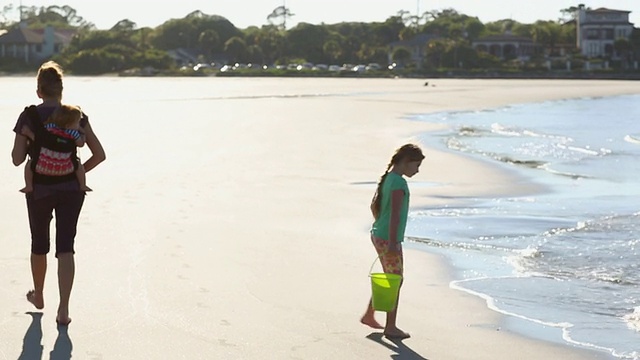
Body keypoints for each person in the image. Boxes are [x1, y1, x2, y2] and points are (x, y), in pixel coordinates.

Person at [11, 61, 106, 326]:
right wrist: (75, 172)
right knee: (66, 248)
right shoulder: (76, 115)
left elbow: (17, 159)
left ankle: (39, 294)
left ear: (39, 90)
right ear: (61, 90)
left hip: (38, 188)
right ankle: (63, 310)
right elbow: (99, 155)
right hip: (71, 191)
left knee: (39, 244)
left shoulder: (29, 116)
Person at [360, 143, 424, 339]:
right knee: (396, 280)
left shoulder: (390, 178)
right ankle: (390, 326)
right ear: (406, 163)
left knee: (391, 277)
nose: (418, 170)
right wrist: (394, 241)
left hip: (380, 234)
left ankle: (370, 315)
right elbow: (395, 214)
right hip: (388, 237)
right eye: (416, 166)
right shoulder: (398, 183)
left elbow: (375, 205)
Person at [20, 104, 91, 193]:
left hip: (43, 165)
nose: (78, 125)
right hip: (66, 168)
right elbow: (81, 144)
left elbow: (39, 139)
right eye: (77, 123)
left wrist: (28, 132)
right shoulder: (73, 133)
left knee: (30, 164)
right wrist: (83, 134)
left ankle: (28, 186)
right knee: (78, 165)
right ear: (69, 124)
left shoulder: (50, 128)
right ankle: (83, 185)